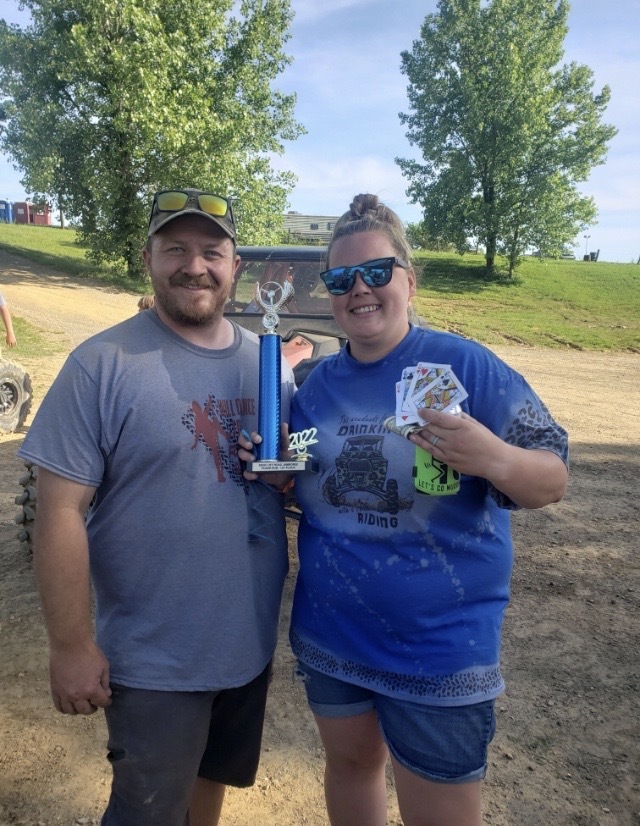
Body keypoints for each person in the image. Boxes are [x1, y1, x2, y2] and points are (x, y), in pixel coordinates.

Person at [241, 194, 569, 826]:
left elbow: (551, 480)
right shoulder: (313, 387)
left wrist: (493, 456)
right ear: (329, 293)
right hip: (332, 636)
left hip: (440, 649)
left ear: (409, 280)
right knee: (352, 771)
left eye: (377, 271)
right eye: (341, 278)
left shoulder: (465, 365)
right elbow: (305, 482)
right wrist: (277, 476)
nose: (359, 288)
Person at [18, 188, 295, 826]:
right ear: (148, 259)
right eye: (175, 249)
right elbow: (60, 510)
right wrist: (70, 645)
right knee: (147, 813)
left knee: (209, 790)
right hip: (155, 660)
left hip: (246, 647)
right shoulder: (101, 365)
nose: (193, 266)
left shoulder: (269, 366)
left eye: (210, 252)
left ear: (236, 268)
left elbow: (282, 485)